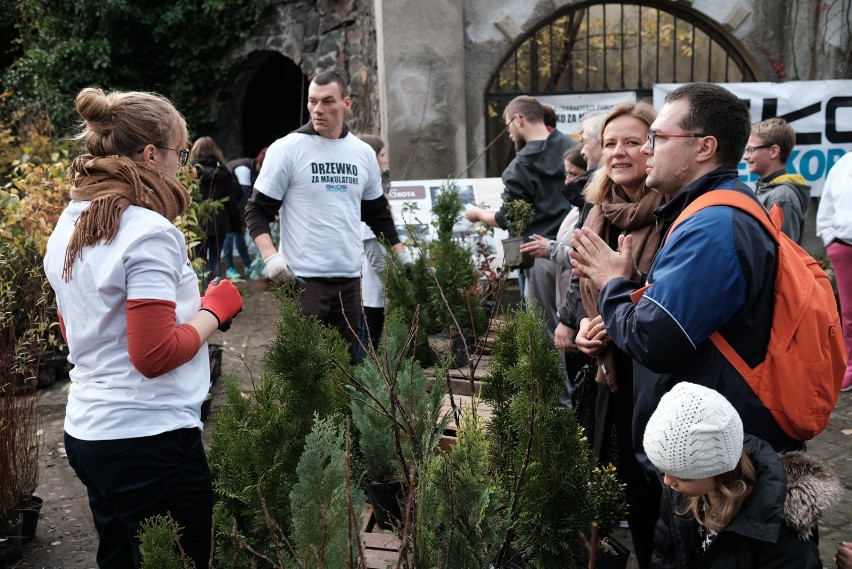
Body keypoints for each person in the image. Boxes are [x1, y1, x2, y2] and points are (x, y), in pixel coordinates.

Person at [43, 87, 243, 568]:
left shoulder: (70, 221)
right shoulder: (148, 232)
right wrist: (215, 309)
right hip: (148, 440)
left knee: (120, 557)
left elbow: (71, 329)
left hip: (90, 432)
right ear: (151, 154)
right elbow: (152, 355)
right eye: (178, 154)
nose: (182, 167)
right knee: (183, 559)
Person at [569, 82, 804, 476]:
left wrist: (614, 283)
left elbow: (654, 339)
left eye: (656, 137)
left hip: (712, 454)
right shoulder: (708, 212)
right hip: (708, 439)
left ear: (703, 147)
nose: (645, 149)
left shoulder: (712, 226)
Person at [558, 101, 665, 569]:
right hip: (609, 372)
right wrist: (583, 324)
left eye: (632, 141)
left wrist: (623, 289)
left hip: (655, 378)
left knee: (656, 497)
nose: (618, 152)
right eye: (609, 143)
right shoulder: (597, 208)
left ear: (655, 146)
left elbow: (668, 299)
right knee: (623, 492)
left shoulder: (673, 209)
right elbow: (581, 280)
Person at [244, 71, 405, 360]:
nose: (318, 110)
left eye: (327, 101)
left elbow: (377, 212)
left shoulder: (362, 153)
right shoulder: (287, 149)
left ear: (346, 104)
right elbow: (256, 209)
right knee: (307, 372)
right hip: (303, 280)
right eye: (312, 101)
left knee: (349, 370)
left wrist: (401, 253)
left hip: (348, 280)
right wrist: (271, 258)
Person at [645, 382, 840, 568]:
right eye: (664, 470)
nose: (667, 481)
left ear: (717, 471)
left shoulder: (779, 531)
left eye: (682, 476)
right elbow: (666, 555)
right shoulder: (681, 493)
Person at [465, 95, 575, 337]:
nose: (508, 133)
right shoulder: (570, 148)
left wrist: (478, 214)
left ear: (519, 119)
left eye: (507, 125)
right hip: (572, 254)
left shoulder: (518, 168)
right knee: (572, 326)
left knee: (544, 334)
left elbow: (508, 218)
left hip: (537, 256)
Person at [355, 133, 392, 363]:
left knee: (368, 337)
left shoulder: (374, 188)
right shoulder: (368, 195)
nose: (386, 159)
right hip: (373, 288)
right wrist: (391, 284)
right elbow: (373, 250)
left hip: (372, 286)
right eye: (382, 154)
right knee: (370, 340)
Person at [816, 150, 852, 392]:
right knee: (848, 314)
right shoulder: (844, 163)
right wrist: (831, 240)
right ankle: (849, 366)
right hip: (844, 248)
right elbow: (827, 203)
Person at [744, 117, 810, 244]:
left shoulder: (783, 196)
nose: (746, 156)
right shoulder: (766, 188)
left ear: (774, 151)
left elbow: (784, 251)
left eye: (751, 149)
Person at [190, 136, 244, 285]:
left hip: (197, 221)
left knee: (199, 259)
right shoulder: (224, 172)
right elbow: (233, 199)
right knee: (215, 259)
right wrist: (237, 223)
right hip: (220, 221)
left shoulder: (190, 172)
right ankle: (216, 294)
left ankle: (201, 293)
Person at [224, 150, 264, 279]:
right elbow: (249, 195)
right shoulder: (244, 168)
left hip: (232, 204)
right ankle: (230, 268)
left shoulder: (249, 168)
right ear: (259, 164)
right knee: (229, 235)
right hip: (223, 205)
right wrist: (261, 213)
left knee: (239, 234)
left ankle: (248, 266)